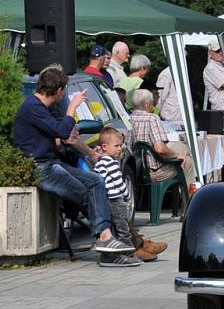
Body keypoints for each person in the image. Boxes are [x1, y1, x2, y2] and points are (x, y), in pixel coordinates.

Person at [12, 67, 133, 256]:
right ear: (59, 90)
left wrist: (63, 139)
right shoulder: (33, 107)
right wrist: (72, 107)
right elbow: (61, 129)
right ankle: (108, 239)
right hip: (41, 168)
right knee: (87, 194)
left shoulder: (41, 108)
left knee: (96, 181)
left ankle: (108, 238)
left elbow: (55, 134)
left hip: (51, 163)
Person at [92, 128, 141, 267]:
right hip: (116, 200)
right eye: (117, 146)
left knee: (113, 229)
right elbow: (119, 182)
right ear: (105, 147)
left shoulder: (99, 163)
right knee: (123, 228)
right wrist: (126, 195)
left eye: (121, 146)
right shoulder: (112, 163)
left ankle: (110, 255)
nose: (120, 149)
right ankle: (129, 254)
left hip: (106, 200)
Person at [130, 89, 195, 186]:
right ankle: (188, 198)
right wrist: (177, 155)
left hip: (137, 169)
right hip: (154, 171)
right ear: (147, 104)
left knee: (179, 147)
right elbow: (160, 149)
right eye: (152, 103)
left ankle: (176, 195)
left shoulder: (129, 118)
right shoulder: (152, 118)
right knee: (188, 162)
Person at [203, 37, 224, 115]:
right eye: (217, 50)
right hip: (222, 113)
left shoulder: (223, 65)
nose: (221, 52)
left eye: (222, 50)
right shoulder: (211, 68)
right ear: (210, 52)